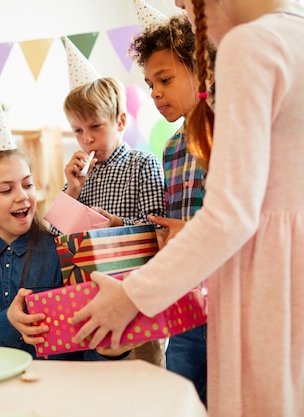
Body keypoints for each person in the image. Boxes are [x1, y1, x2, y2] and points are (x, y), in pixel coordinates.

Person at [72, 1, 304, 416]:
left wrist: (131, 297)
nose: (179, 3)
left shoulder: (249, 44)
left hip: (260, 283)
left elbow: (230, 214)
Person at [0, 87, 127, 361]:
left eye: (27, 184)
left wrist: (112, 351)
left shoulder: (62, 251)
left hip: (58, 389)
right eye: (6, 190)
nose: (22, 196)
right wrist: (7, 322)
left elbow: (90, 338)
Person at [128, 13, 216, 405]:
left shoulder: (226, 128)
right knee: (179, 399)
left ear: (199, 67)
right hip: (184, 301)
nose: (155, 92)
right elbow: (174, 220)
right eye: (150, 84)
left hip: (224, 297)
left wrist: (191, 232)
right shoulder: (171, 148)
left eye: (165, 80)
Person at [56, 77, 167, 366]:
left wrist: (117, 223)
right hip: (90, 303)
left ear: (119, 122)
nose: (87, 139)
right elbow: (56, 236)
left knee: (143, 386)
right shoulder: (81, 178)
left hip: (135, 302)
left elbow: (158, 229)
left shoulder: (143, 164)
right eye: (78, 130)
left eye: (95, 126)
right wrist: (73, 190)